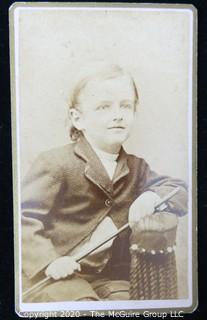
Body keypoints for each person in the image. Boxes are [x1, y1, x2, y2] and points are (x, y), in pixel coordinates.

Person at [21, 64, 187, 302]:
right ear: (78, 119)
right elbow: (22, 219)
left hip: (107, 277)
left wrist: (152, 196)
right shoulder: (55, 163)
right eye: (103, 107)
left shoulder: (137, 168)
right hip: (56, 276)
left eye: (125, 106)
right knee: (83, 306)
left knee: (129, 303)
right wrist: (49, 261)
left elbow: (179, 190)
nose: (117, 114)